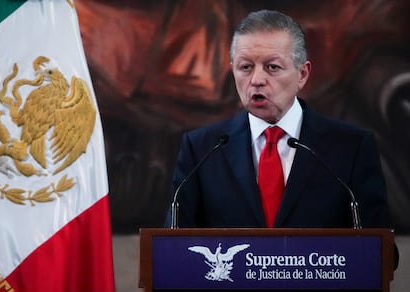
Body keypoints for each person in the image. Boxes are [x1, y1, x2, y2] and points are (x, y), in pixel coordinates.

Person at [165, 9, 391, 230]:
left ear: (302, 74)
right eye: (246, 67)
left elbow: (380, 253)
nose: (257, 80)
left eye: (272, 67)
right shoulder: (202, 149)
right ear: (233, 71)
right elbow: (172, 250)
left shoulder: (351, 147)